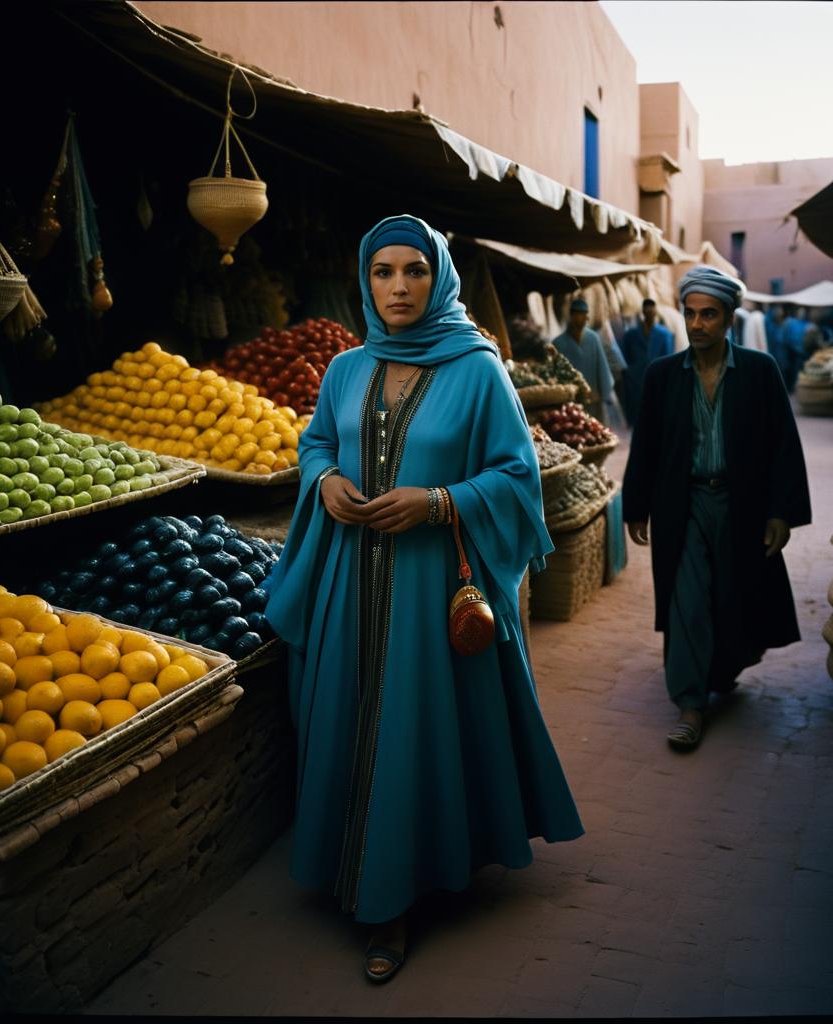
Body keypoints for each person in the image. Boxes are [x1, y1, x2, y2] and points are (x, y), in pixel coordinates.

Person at [262, 214, 583, 983]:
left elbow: (517, 478)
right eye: (382, 272)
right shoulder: (346, 368)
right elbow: (314, 444)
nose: (398, 286)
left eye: (413, 270)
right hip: (349, 581)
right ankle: (355, 864)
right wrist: (326, 481)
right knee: (347, 715)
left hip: (430, 590)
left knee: (414, 729)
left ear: (438, 276)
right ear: (365, 281)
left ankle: (391, 902)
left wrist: (439, 503)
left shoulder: (479, 371)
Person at [622, 265, 811, 750]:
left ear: (729, 318)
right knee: (686, 596)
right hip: (681, 504)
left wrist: (781, 512)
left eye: (709, 315)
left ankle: (722, 668)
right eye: (690, 313)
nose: (697, 324)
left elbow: (783, 444)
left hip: (739, 503)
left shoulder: (760, 371)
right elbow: (645, 446)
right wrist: (635, 505)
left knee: (734, 595)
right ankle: (689, 703)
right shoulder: (663, 375)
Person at [551, 297, 620, 426]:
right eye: (578, 314)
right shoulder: (558, 343)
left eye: (584, 315)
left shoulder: (593, 338)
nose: (581, 318)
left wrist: (603, 392)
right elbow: (554, 374)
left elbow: (602, 367)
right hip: (571, 400)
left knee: (597, 429)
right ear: (571, 316)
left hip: (594, 397)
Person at [619, 298, 674, 429]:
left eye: (652, 311)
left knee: (657, 417)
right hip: (636, 382)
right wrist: (630, 374)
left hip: (658, 380)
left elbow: (670, 359)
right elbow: (625, 358)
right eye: (647, 310)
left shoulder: (665, 334)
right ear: (643, 312)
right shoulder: (630, 335)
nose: (649, 313)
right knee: (637, 420)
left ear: (655, 312)